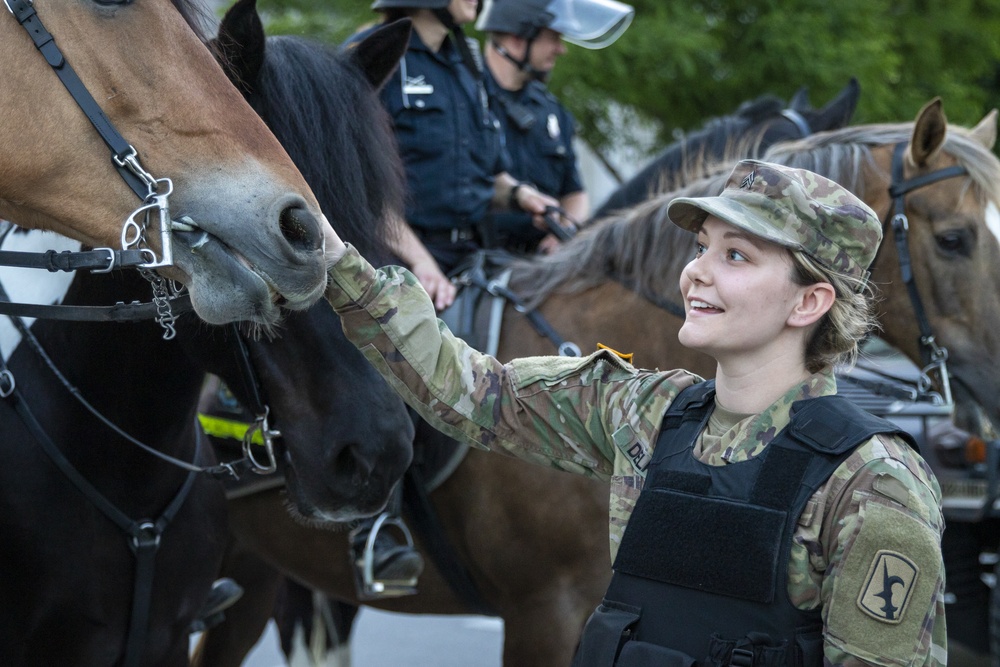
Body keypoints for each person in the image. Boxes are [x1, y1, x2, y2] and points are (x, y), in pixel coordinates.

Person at [322, 159, 947, 665]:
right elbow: (465, 391)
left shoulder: (874, 485)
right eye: (702, 246)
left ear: (809, 301)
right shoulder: (648, 412)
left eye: (736, 256)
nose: (695, 272)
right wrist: (335, 263)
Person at [345, 0, 565, 593]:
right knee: (388, 372)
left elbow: (480, 175)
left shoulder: (462, 63)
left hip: (472, 253)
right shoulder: (374, 55)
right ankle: (376, 525)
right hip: (392, 254)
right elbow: (359, 186)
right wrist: (418, 262)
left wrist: (521, 195)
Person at [477, 0, 633, 253]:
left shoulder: (551, 111)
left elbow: (574, 193)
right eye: (553, 38)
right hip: (475, 259)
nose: (561, 50)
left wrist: (566, 231)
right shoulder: (465, 98)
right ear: (518, 38)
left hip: (541, 266)